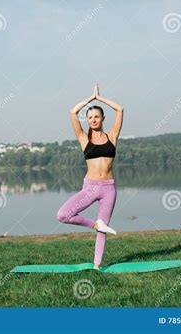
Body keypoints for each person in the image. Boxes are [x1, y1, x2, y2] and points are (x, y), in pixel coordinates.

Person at [56, 83, 124, 270]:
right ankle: (94, 224)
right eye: (90, 117)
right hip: (91, 187)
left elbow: (120, 109)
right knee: (63, 215)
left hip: (109, 188)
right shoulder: (83, 139)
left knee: (103, 231)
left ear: (103, 118)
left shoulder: (112, 136)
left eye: (96, 116)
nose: (93, 120)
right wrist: (90, 99)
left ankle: (96, 266)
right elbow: (72, 112)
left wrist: (100, 98)